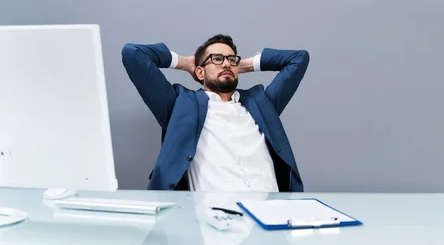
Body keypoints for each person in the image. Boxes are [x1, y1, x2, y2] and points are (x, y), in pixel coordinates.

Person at [121, 34, 309, 192]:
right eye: (217, 59)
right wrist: (186, 63)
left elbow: (298, 59)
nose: (226, 64)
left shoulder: (261, 104)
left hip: (272, 218)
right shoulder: (179, 104)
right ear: (200, 72)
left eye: (231, 59)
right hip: (215, 222)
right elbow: (133, 53)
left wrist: (243, 65)